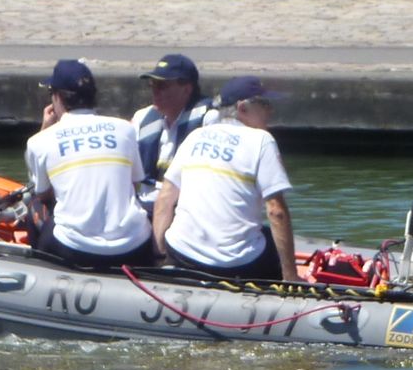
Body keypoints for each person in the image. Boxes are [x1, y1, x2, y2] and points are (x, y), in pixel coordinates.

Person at [152, 76, 294, 282]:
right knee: (268, 239)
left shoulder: (195, 136)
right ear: (243, 108)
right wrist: (291, 276)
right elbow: (276, 212)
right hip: (236, 265)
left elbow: (165, 199)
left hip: (182, 254)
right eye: (265, 104)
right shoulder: (261, 141)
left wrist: (160, 258)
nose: (270, 111)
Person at [22, 58, 152, 271]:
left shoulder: (40, 141)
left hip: (75, 249)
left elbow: (43, 195)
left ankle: (41, 269)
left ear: (57, 97)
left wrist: (46, 128)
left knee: (34, 204)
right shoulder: (125, 129)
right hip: (134, 246)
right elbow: (135, 182)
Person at [130, 52, 218, 194]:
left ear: (187, 89)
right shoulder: (141, 117)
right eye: (152, 85)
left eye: (162, 86)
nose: (155, 91)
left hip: (187, 199)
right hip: (146, 200)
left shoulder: (209, 119)